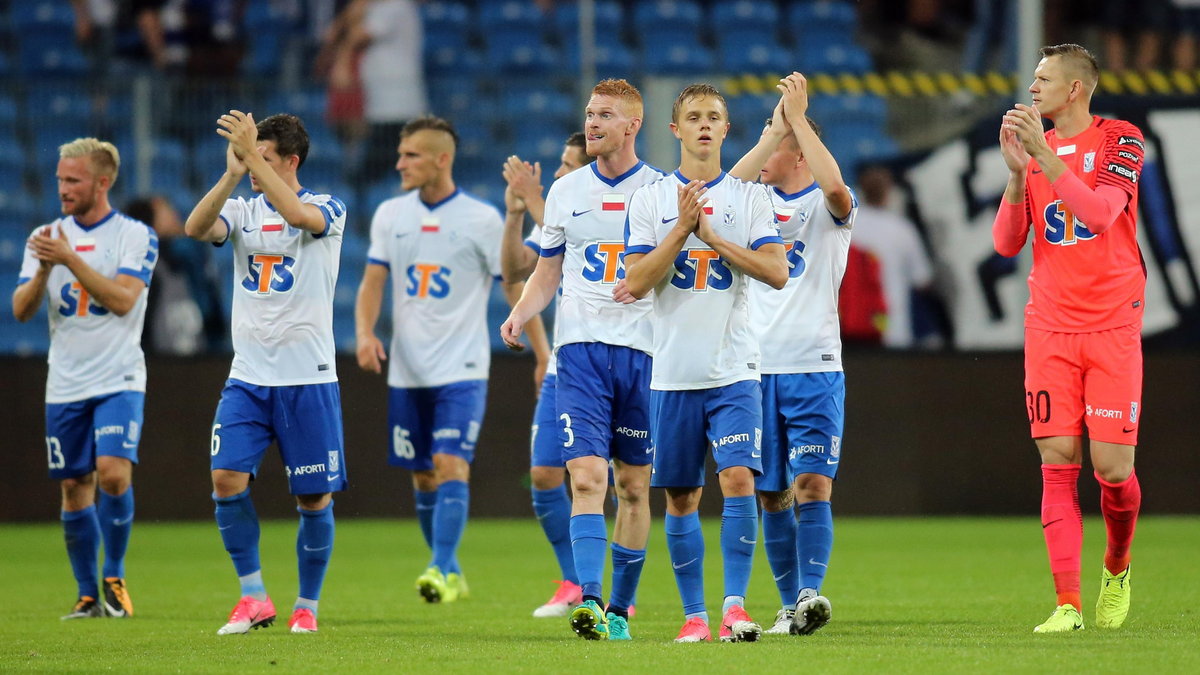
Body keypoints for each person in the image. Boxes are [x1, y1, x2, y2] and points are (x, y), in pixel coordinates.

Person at [621, 83, 788, 643]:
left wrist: (711, 235)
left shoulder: (749, 198)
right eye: (692, 117)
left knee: (739, 478)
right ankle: (694, 617)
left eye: (714, 117)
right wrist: (681, 229)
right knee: (681, 496)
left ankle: (734, 608)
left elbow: (776, 271)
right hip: (671, 374)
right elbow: (637, 282)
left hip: (735, 368)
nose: (703, 126)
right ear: (675, 130)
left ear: (725, 129)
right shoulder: (648, 201)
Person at [501, 79, 664, 641]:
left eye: (605, 115)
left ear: (632, 126)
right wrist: (521, 313)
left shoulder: (662, 191)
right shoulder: (569, 193)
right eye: (590, 113)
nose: (592, 123)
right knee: (588, 478)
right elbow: (546, 272)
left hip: (645, 356)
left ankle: (621, 607)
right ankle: (589, 601)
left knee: (636, 488)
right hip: (580, 357)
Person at [993, 44, 1145, 633]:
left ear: (1075, 89)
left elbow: (1103, 214)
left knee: (1111, 469)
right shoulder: (1033, 154)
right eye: (1033, 78)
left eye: (1043, 79)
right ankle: (1068, 604)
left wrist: (1042, 160)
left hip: (1111, 323)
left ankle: (1118, 564)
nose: (1032, 88)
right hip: (1050, 324)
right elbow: (1008, 244)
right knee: (1058, 462)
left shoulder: (1120, 139)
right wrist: (1015, 174)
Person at [185, 111, 348, 635]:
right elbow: (194, 228)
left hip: (309, 378)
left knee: (312, 498)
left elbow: (300, 217)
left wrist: (251, 154)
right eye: (254, 158)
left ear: (291, 160)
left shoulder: (327, 206)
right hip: (249, 377)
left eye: (266, 158)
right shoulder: (241, 208)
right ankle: (253, 596)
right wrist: (234, 171)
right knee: (225, 478)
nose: (256, 168)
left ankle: (308, 606)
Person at [356, 116, 515, 605]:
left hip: (463, 369)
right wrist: (364, 333)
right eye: (401, 154)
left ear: (442, 160)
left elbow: (511, 281)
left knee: (450, 463)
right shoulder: (389, 215)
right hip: (408, 370)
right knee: (423, 474)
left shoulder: (481, 219)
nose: (399, 163)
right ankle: (450, 567)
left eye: (411, 156)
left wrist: (535, 342)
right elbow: (373, 282)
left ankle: (440, 568)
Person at [727, 73, 857, 637]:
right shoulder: (751, 204)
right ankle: (789, 605)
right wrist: (775, 130)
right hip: (753, 371)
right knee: (771, 493)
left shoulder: (828, 208)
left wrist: (798, 120)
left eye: (774, 137)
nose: (765, 144)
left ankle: (809, 592)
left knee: (813, 486)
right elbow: (717, 193)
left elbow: (835, 190)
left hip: (815, 366)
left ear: (798, 152)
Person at [13, 137, 155, 621]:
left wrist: (71, 260)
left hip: (119, 376)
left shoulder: (135, 235)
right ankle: (86, 594)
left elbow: (123, 300)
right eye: (60, 179)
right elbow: (20, 310)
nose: (63, 188)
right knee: (75, 484)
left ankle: (113, 576)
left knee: (113, 473)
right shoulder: (45, 237)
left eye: (73, 180)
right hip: (66, 383)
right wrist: (43, 270)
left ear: (103, 181)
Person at [499, 133, 596, 618]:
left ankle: (620, 594)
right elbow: (515, 270)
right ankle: (575, 581)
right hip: (565, 363)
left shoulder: (611, 209)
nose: (557, 172)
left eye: (566, 164)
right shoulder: (557, 211)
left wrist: (536, 199)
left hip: (620, 358)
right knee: (543, 473)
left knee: (616, 480)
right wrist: (517, 210)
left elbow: (583, 248)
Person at [124, 194, 225, 354]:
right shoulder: (142, 269)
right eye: (166, 210)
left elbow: (212, 315)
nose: (176, 215)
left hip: (197, 359)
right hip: (159, 365)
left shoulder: (185, 261)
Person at [852, 163, 935, 349]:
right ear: (889, 192)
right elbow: (922, 280)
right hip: (893, 328)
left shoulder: (847, 226)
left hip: (853, 326)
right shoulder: (902, 229)